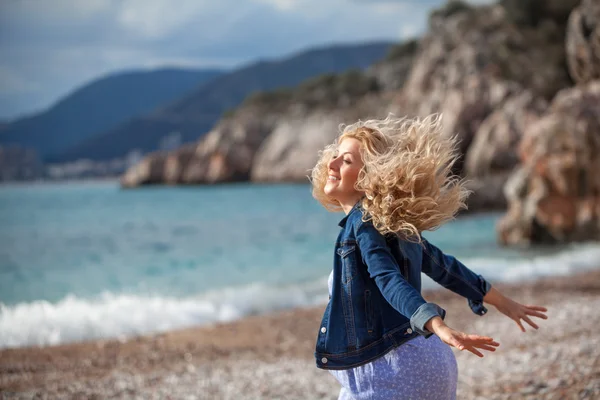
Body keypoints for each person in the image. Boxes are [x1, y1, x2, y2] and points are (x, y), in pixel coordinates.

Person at [309, 114, 548, 400]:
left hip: (392, 371)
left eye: (345, 160)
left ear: (368, 178)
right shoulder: (393, 228)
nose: (331, 164)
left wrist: (436, 324)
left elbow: (388, 279)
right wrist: (502, 302)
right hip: (428, 360)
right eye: (335, 156)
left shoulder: (363, 225)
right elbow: (446, 268)